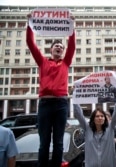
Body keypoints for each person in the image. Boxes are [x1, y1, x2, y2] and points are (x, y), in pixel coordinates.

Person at [26, 14, 76, 167]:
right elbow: (30, 42)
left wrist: (72, 26)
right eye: (56, 46)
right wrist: (29, 24)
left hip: (61, 104)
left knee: (59, 142)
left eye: (61, 47)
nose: (59, 48)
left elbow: (72, 45)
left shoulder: (66, 62)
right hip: (45, 104)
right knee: (44, 142)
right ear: (51, 49)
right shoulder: (42, 61)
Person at [73, 86, 116, 167]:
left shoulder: (110, 128)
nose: (100, 118)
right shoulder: (87, 128)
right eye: (97, 116)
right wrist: (74, 95)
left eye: (102, 116)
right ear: (93, 119)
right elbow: (78, 113)